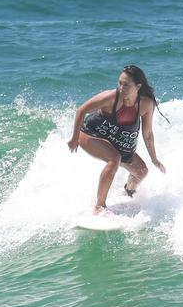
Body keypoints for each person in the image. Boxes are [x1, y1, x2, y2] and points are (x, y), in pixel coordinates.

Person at [67, 65, 167, 215]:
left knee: (141, 171)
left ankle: (129, 191)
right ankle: (99, 206)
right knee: (114, 159)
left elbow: (148, 134)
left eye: (126, 84)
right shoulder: (111, 97)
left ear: (138, 87)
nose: (121, 87)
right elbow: (81, 110)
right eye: (119, 83)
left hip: (118, 140)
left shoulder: (146, 104)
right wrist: (74, 138)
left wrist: (154, 159)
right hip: (91, 133)